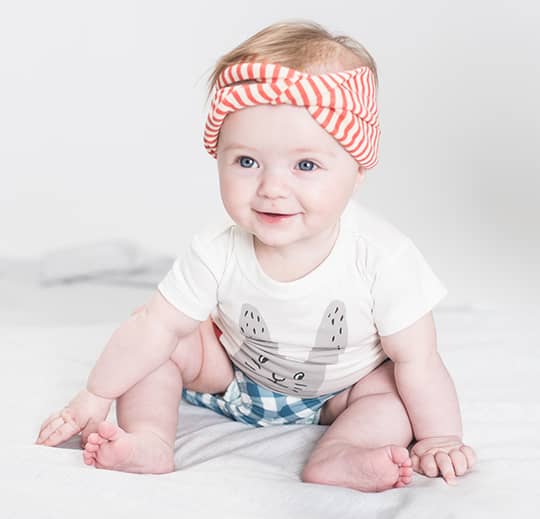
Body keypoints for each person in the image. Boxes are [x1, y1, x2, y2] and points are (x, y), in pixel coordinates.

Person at [36, 20, 476, 492]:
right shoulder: (217, 247)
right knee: (160, 341)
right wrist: (95, 394)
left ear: (357, 168)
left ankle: (341, 454)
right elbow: (154, 326)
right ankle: (149, 440)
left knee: (391, 395)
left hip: (340, 392)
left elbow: (419, 360)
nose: (271, 188)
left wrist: (440, 437)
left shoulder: (382, 257)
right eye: (247, 162)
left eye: (305, 165)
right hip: (231, 376)